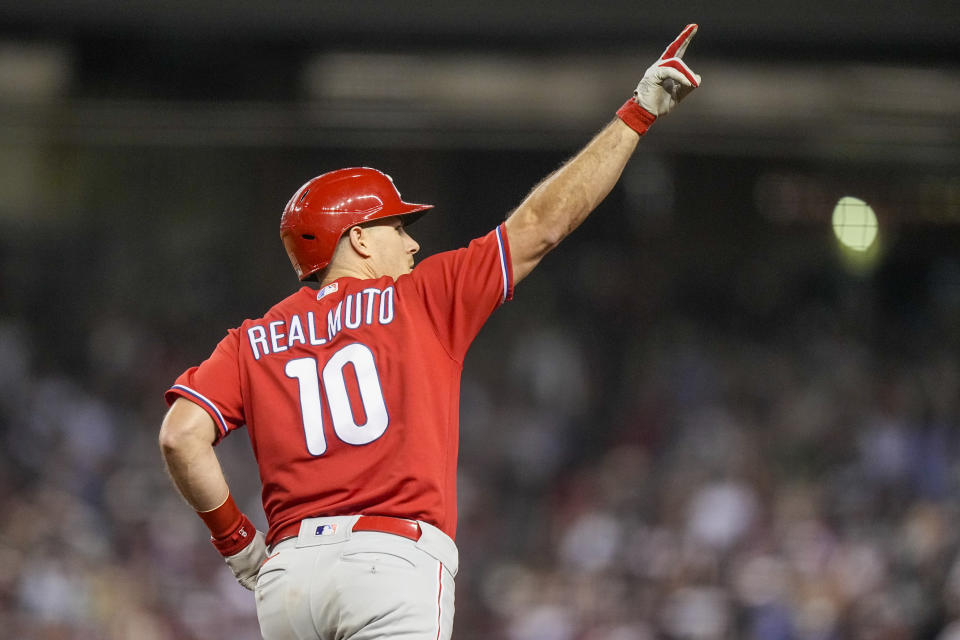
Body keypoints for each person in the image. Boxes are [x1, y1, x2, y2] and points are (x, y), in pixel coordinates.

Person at [159, 24, 701, 640]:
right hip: (390, 563)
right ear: (357, 238)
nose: (413, 242)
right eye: (397, 226)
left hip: (289, 580)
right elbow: (543, 226)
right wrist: (636, 114)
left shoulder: (250, 339)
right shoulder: (420, 298)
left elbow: (180, 437)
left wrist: (239, 546)